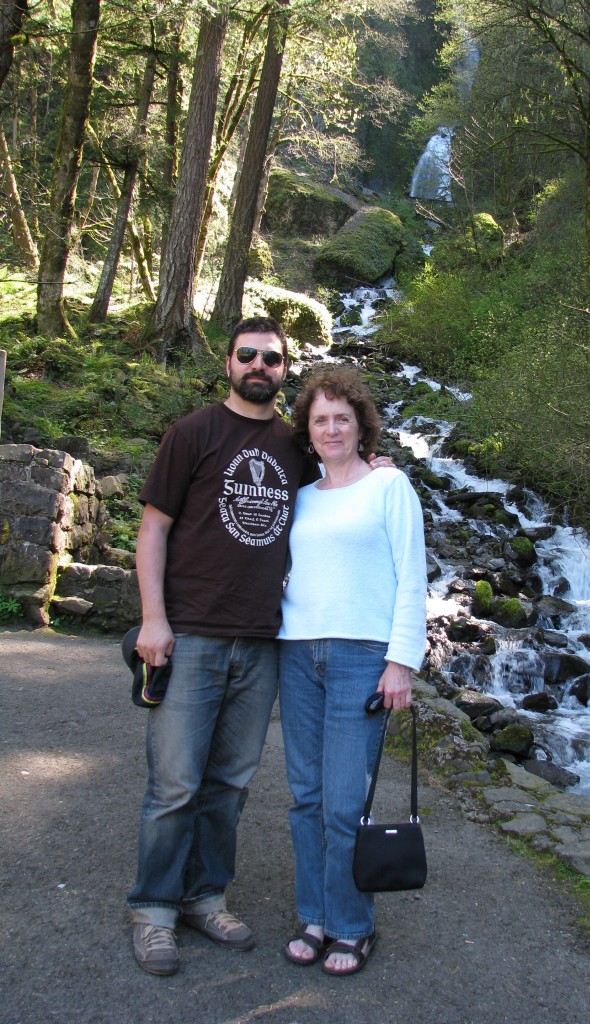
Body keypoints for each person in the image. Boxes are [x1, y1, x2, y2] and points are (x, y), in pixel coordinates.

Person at [127, 315, 317, 976]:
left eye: (273, 357)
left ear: (285, 368)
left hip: (263, 640)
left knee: (230, 784)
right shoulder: (193, 433)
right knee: (175, 783)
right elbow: (153, 530)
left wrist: (375, 457)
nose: (260, 365)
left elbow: (344, 481)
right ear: (229, 362)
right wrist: (154, 619)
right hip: (192, 634)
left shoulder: (299, 447)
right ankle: (154, 909)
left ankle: (205, 897)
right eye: (249, 355)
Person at [278, 365, 427, 977]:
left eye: (342, 418)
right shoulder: (302, 495)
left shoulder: (390, 488)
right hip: (296, 653)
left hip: (361, 658)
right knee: (305, 797)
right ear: (307, 431)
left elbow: (412, 575)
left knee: (343, 801)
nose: (331, 428)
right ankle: (312, 915)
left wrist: (401, 663)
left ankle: (350, 925)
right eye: (320, 420)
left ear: (360, 424)